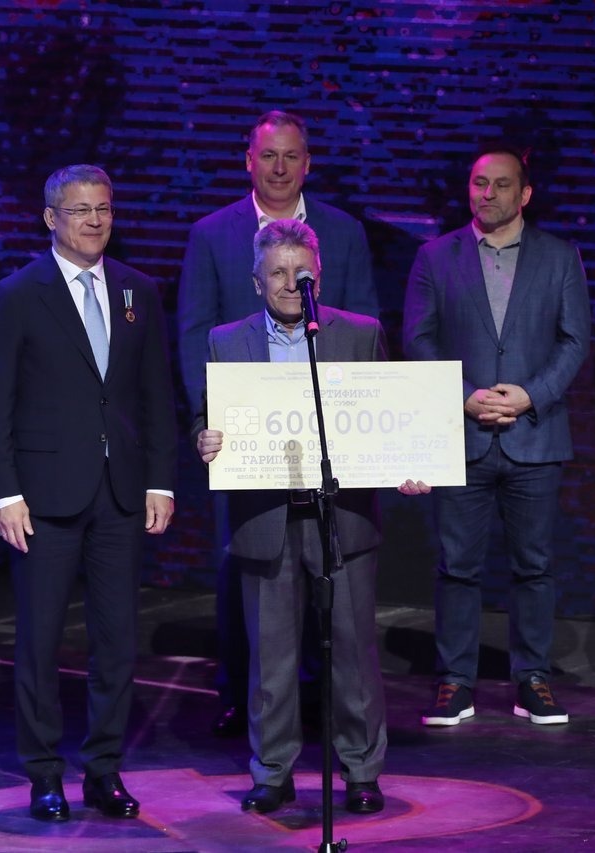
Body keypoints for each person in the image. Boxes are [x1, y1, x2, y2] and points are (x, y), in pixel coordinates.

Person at [193, 219, 428, 816]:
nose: (289, 283)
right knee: (271, 660)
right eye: (277, 273)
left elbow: (389, 417)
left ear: (318, 277)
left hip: (341, 517)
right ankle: (272, 773)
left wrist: (408, 462)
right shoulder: (227, 340)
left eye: (301, 272)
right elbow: (208, 416)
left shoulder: (359, 333)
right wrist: (205, 438)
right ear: (256, 282)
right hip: (266, 517)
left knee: (353, 654)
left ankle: (361, 771)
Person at [0, 164, 177, 822]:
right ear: (50, 218)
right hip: (44, 497)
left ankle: (104, 769)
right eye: (81, 209)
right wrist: (5, 493)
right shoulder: (17, 294)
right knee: (40, 640)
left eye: (104, 208)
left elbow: (155, 394)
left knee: (116, 639)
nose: (95, 220)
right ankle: (43, 773)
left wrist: (160, 479)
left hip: (120, 493)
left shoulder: (138, 290)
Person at [178, 110, 380, 737]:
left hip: (332, 444)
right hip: (250, 446)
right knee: (252, 578)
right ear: (249, 161)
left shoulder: (343, 232)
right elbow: (194, 335)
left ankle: (326, 711)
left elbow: (366, 337)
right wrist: (210, 421)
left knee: (337, 597)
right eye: (268, 155)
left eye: (292, 155)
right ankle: (246, 703)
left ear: (308, 163)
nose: (280, 167)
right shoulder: (213, 234)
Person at [402, 144, 590, 727]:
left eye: (501, 184)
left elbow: (575, 339)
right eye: (479, 183)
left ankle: (532, 679)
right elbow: (418, 338)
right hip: (462, 434)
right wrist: (463, 395)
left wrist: (531, 394)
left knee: (533, 566)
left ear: (525, 193)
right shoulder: (436, 256)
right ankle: (454, 682)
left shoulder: (559, 256)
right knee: (458, 566)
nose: (488, 193)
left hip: (534, 435)